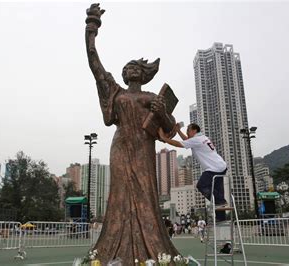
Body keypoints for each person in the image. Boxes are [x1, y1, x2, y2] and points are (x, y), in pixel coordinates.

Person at [85, 3, 179, 263]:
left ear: (144, 74)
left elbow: (170, 129)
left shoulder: (151, 97)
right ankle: (113, 250)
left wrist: (161, 112)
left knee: (145, 194)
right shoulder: (115, 92)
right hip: (121, 146)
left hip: (144, 149)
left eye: (137, 66)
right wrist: (91, 28)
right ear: (124, 74)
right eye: (128, 66)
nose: (132, 68)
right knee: (119, 195)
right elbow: (95, 65)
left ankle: (154, 251)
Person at [159, 123, 228, 221]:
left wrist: (164, 138)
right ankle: (221, 218)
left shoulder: (197, 140)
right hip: (221, 166)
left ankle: (220, 201)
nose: (187, 132)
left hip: (213, 168)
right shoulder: (202, 138)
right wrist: (178, 131)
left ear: (194, 130)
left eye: (188, 130)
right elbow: (187, 140)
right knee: (218, 193)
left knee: (201, 186)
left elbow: (179, 144)